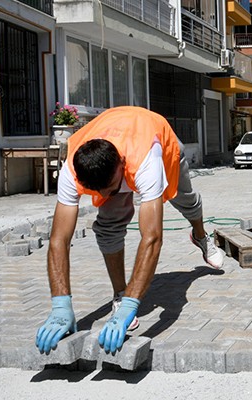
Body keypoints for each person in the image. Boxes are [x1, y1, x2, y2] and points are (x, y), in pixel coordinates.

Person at [35, 106, 225, 354]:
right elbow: (58, 239)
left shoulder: (148, 159)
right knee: (108, 225)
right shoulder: (72, 169)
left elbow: (152, 238)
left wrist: (131, 307)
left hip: (160, 142)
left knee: (186, 200)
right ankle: (119, 292)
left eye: (110, 186)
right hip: (117, 146)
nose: (104, 195)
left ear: (122, 165)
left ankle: (200, 236)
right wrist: (60, 304)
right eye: (96, 190)